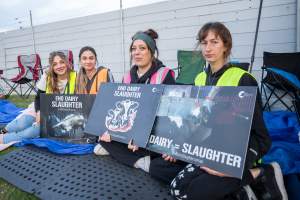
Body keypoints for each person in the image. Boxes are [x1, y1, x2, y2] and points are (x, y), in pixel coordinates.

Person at [170, 22, 288, 200]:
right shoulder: (200, 79)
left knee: (192, 192)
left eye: (214, 42)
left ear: (226, 46)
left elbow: (261, 138)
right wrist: (177, 145)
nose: (208, 48)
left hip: (235, 157)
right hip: (209, 151)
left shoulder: (243, 79)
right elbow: (198, 120)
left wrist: (235, 166)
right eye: (204, 42)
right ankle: (241, 189)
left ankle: (261, 173)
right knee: (176, 187)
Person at [94, 29, 183, 180]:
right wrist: (111, 130)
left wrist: (140, 135)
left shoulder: (164, 74)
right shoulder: (127, 76)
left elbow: (171, 114)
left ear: (151, 51)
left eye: (142, 48)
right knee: (100, 141)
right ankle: (140, 160)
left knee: (161, 158)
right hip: (131, 133)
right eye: (134, 49)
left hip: (156, 132)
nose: (137, 53)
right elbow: (121, 109)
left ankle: (137, 158)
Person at [0, 51, 76, 145]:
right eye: (55, 64)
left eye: (62, 62)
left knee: (34, 130)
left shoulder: (76, 77)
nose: (59, 66)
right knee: (23, 122)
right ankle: (3, 131)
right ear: (51, 66)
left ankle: (5, 139)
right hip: (43, 106)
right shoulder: (48, 76)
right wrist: (39, 112)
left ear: (67, 63)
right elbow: (38, 98)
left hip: (62, 113)